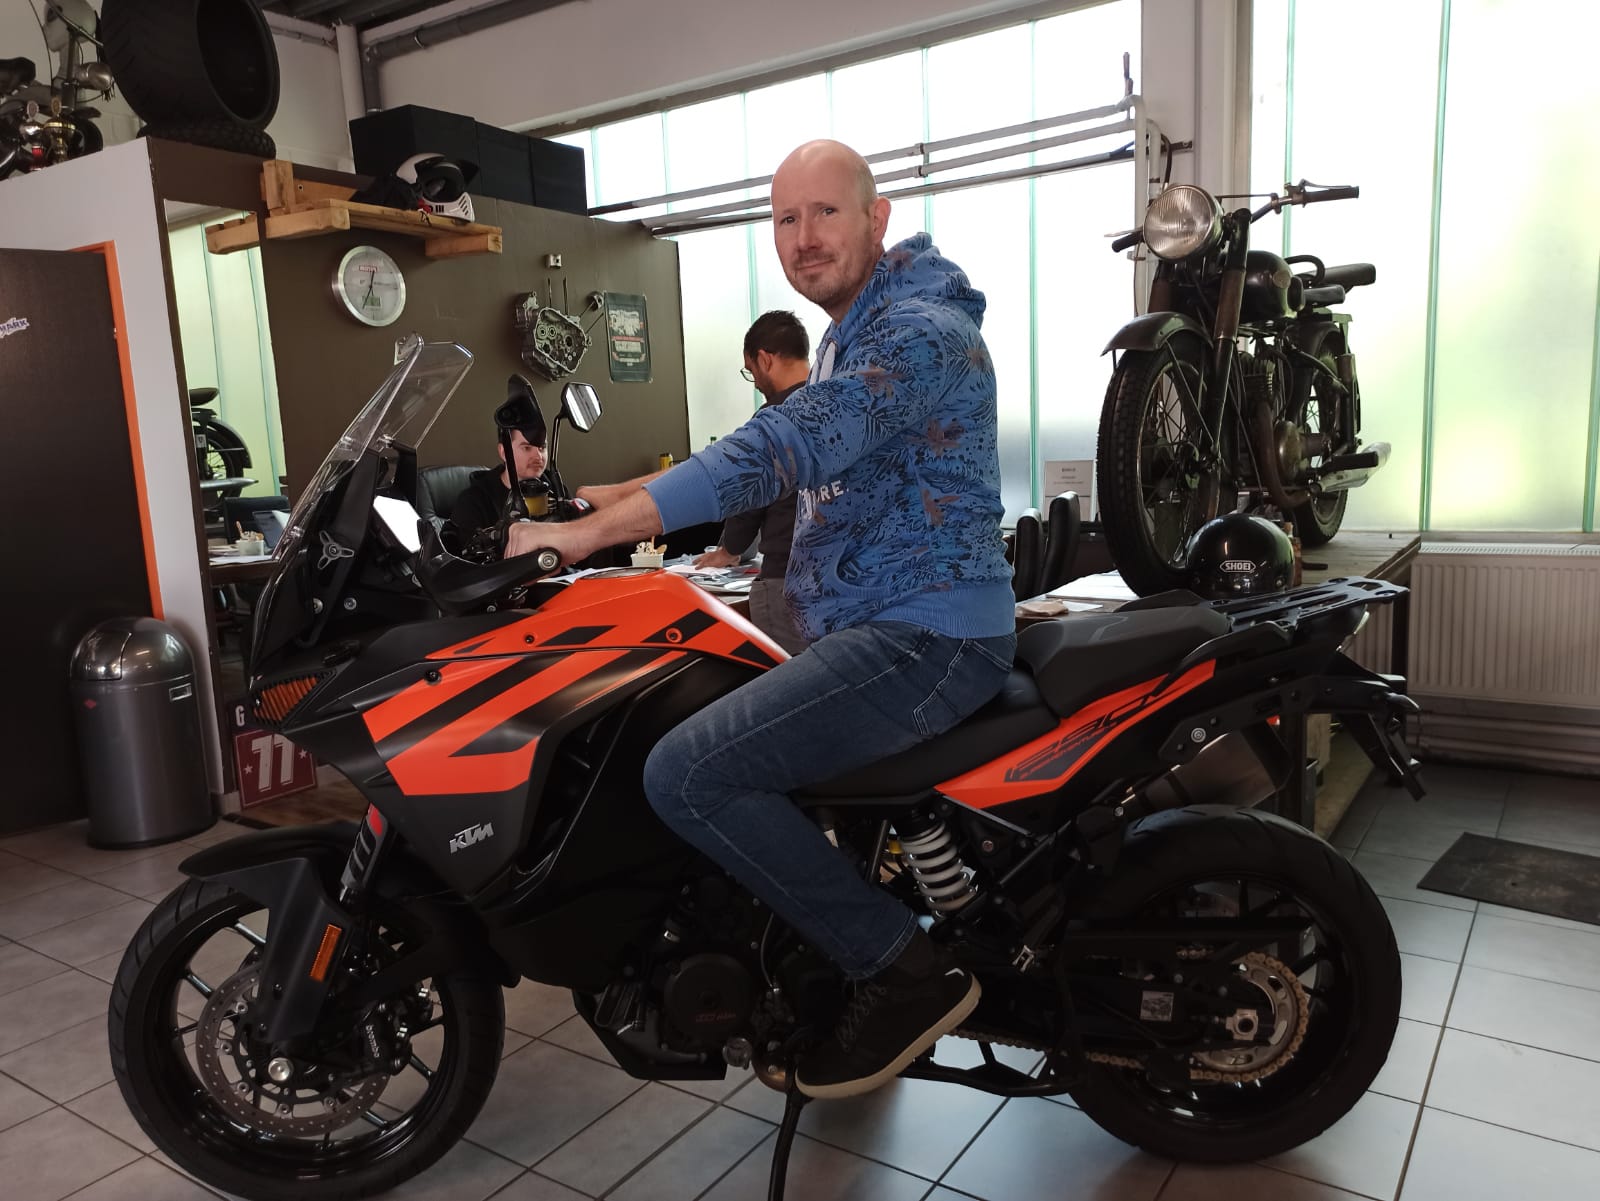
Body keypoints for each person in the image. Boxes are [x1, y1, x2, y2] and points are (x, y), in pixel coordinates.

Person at [508, 139, 1014, 1099]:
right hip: (875, 629)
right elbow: (774, 444)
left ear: (878, 218)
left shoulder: (917, 330)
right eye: (786, 218)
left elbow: (786, 443)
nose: (804, 236)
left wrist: (587, 537)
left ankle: (903, 970)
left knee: (688, 772)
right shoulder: (851, 332)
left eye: (826, 212)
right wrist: (603, 503)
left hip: (925, 635)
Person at [691, 310, 812, 655]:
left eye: (751, 371)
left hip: (785, 579)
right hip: (833, 575)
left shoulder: (773, 419)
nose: (756, 382)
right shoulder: (835, 406)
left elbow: (749, 492)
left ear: (765, 359)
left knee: (786, 677)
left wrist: (729, 550)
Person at [446, 407, 547, 547]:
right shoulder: (473, 501)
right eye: (527, 448)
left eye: (542, 447)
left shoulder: (554, 487)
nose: (538, 456)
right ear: (504, 452)